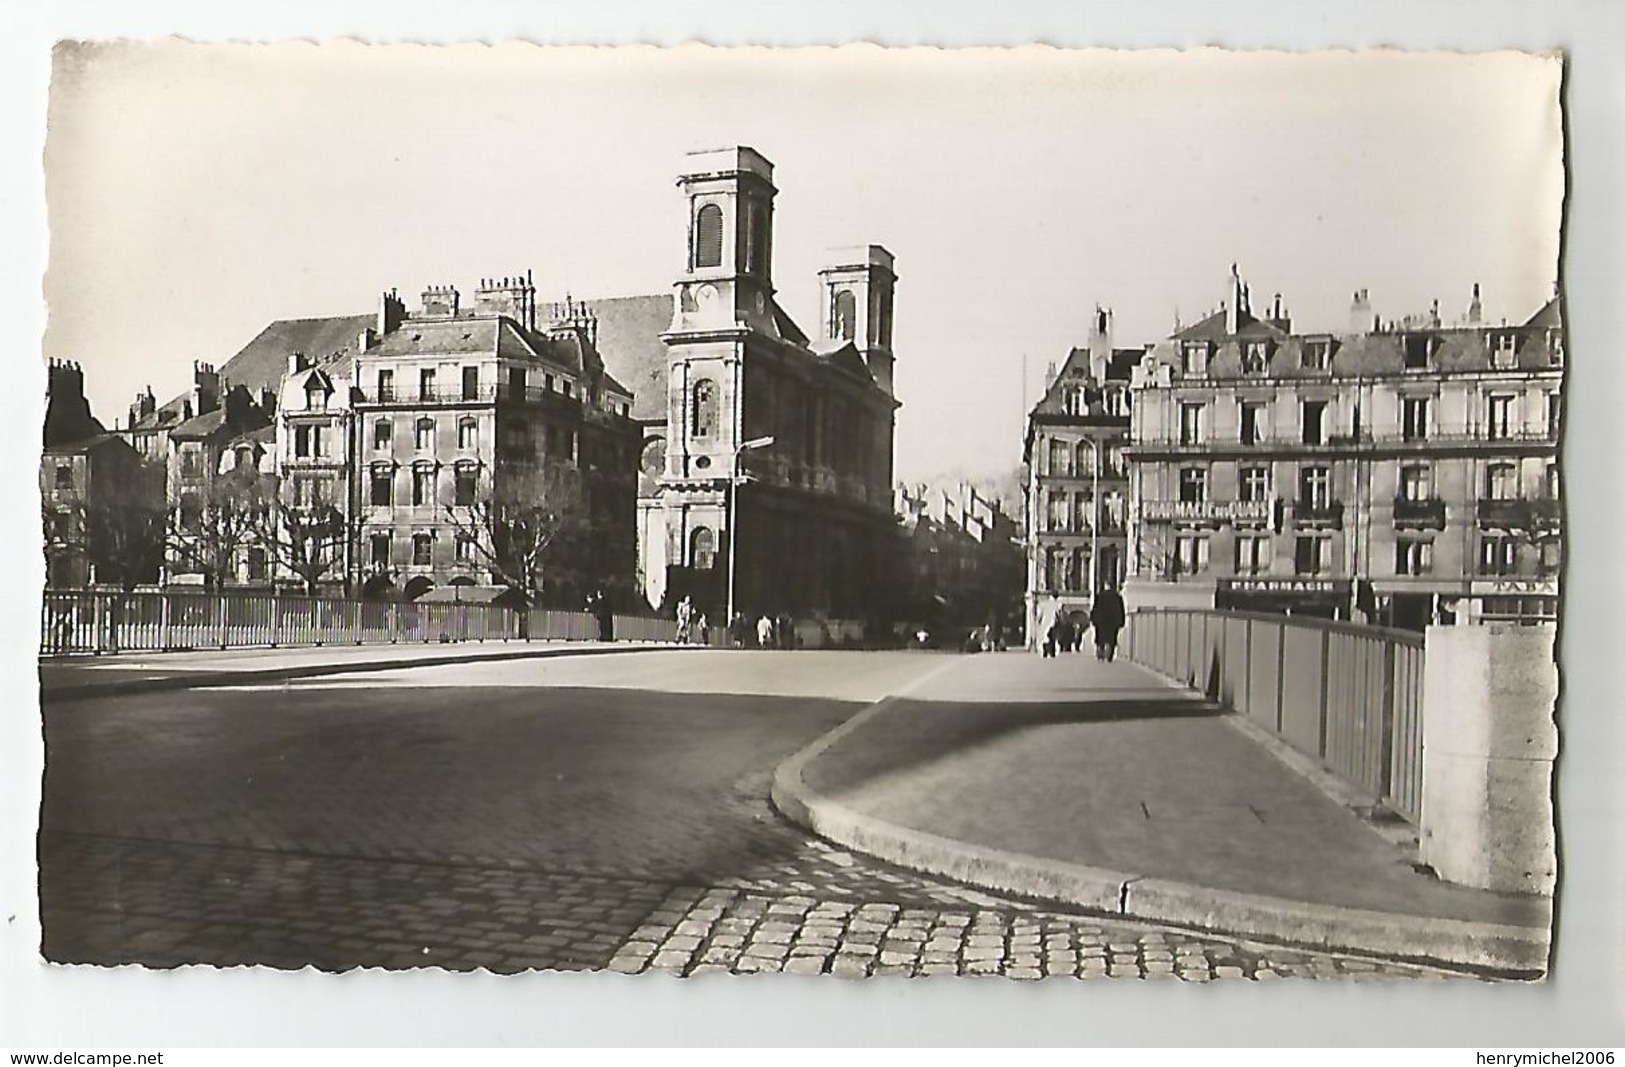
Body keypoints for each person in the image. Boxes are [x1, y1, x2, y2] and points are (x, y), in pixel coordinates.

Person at [1090, 586, 1127, 662]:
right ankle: (1110, 654)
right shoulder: (1117, 597)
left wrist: (1094, 619)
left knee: (1100, 637)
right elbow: (1121, 610)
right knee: (1112, 637)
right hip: (1113, 620)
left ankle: (1100, 651)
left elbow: (1095, 608)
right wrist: (1121, 621)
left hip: (1101, 620)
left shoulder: (1100, 596)